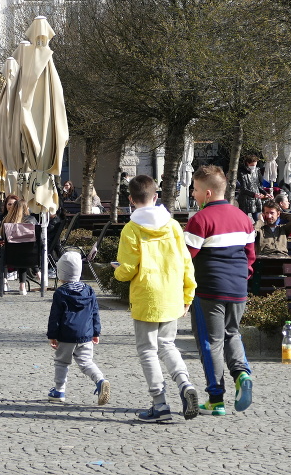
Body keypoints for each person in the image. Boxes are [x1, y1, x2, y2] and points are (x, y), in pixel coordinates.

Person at [113, 174, 199, 422]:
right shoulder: (172, 225)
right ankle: (184, 383)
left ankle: (160, 404)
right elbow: (186, 262)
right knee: (167, 345)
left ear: (130, 199)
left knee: (147, 350)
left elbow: (128, 269)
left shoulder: (131, 229)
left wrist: (116, 271)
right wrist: (187, 294)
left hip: (146, 296)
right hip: (171, 293)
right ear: (156, 196)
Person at [183, 165, 255, 417]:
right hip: (238, 288)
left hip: (209, 289)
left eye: (195, 189)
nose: (193, 193)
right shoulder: (244, 218)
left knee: (210, 342)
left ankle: (216, 398)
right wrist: (242, 277)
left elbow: (185, 258)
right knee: (232, 333)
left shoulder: (199, 220)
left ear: (208, 193)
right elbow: (250, 256)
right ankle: (241, 373)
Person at [46, 251, 110, 405]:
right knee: (87, 362)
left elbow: (55, 316)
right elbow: (95, 312)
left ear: (62, 272)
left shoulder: (61, 292)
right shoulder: (89, 290)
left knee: (62, 362)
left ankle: (59, 391)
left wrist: (52, 335)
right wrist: (96, 332)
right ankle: (100, 380)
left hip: (66, 334)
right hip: (86, 334)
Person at [1, 197, 38, 295]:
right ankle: (22, 285)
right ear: (26, 208)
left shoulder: (7, 221)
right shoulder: (32, 220)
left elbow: (2, 237)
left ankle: (4, 281)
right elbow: (39, 238)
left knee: (2, 250)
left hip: (9, 258)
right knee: (23, 250)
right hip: (31, 257)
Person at [236, 155, 266, 222]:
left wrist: (266, 193)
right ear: (247, 163)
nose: (254, 166)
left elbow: (258, 185)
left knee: (258, 220)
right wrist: (254, 194)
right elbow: (243, 188)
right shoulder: (241, 172)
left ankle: (259, 231)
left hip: (256, 199)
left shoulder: (257, 170)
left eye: (255, 164)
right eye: (252, 165)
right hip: (245, 200)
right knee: (243, 220)